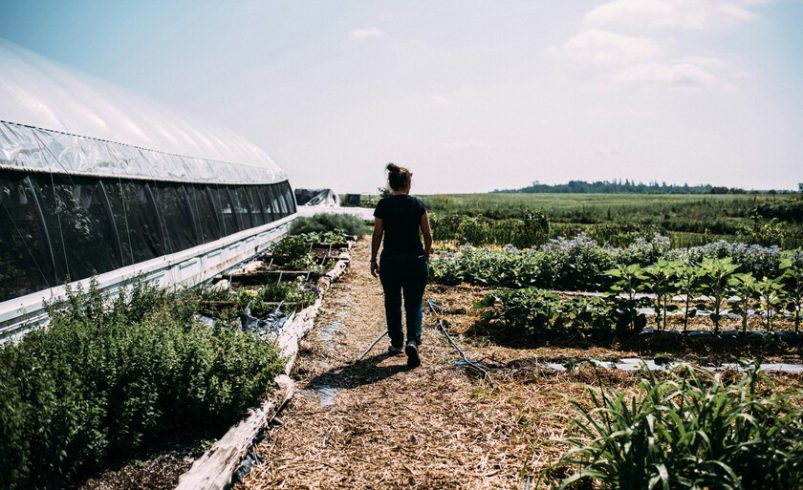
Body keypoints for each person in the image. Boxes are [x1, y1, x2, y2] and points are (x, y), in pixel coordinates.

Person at [370, 163, 432, 368]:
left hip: (391, 262)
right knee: (414, 303)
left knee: (392, 302)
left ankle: (397, 343)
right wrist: (426, 256)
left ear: (391, 184)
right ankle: (412, 341)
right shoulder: (417, 205)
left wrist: (373, 258)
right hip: (415, 261)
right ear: (408, 183)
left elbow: (378, 234)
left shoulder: (383, 205)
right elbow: (427, 234)